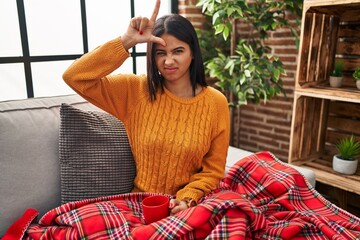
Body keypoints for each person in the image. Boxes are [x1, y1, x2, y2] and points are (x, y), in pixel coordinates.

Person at [62, 0, 230, 215]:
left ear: (193, 53)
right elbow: (75, 77)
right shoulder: (135, 90)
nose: (168, 61)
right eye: (160, 53)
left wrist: (188, 198)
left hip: (189, 206)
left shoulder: (216, 102)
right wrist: (126, 42)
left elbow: (213, 171)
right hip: (141, 205)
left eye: (178, 51)